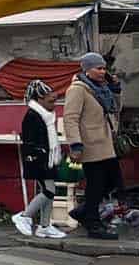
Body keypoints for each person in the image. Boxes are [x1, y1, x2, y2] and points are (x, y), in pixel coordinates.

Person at [62, 52, 122, 239]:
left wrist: (116, 89)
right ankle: (93, 223)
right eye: (98, 68)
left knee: (114, 181)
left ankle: (83, 212)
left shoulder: (102, 88)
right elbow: (70, 118)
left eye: (104, 68)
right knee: (95, 185)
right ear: (87, 70)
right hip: (90, 145)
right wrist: (75, 144)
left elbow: (115, 109)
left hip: (106, 143)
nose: (103, 72)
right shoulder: (78, 89)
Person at [13, 80, 65, 240]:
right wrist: (37, 155)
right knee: (49, 191)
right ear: (39, 99)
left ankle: (44, 226)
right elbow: (29, 141)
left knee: (49, 191)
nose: (54, 104)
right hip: (40, 159)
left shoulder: (45, 115)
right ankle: (24, 215)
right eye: (50, 101)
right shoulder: (32, 116)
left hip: (47, 157)